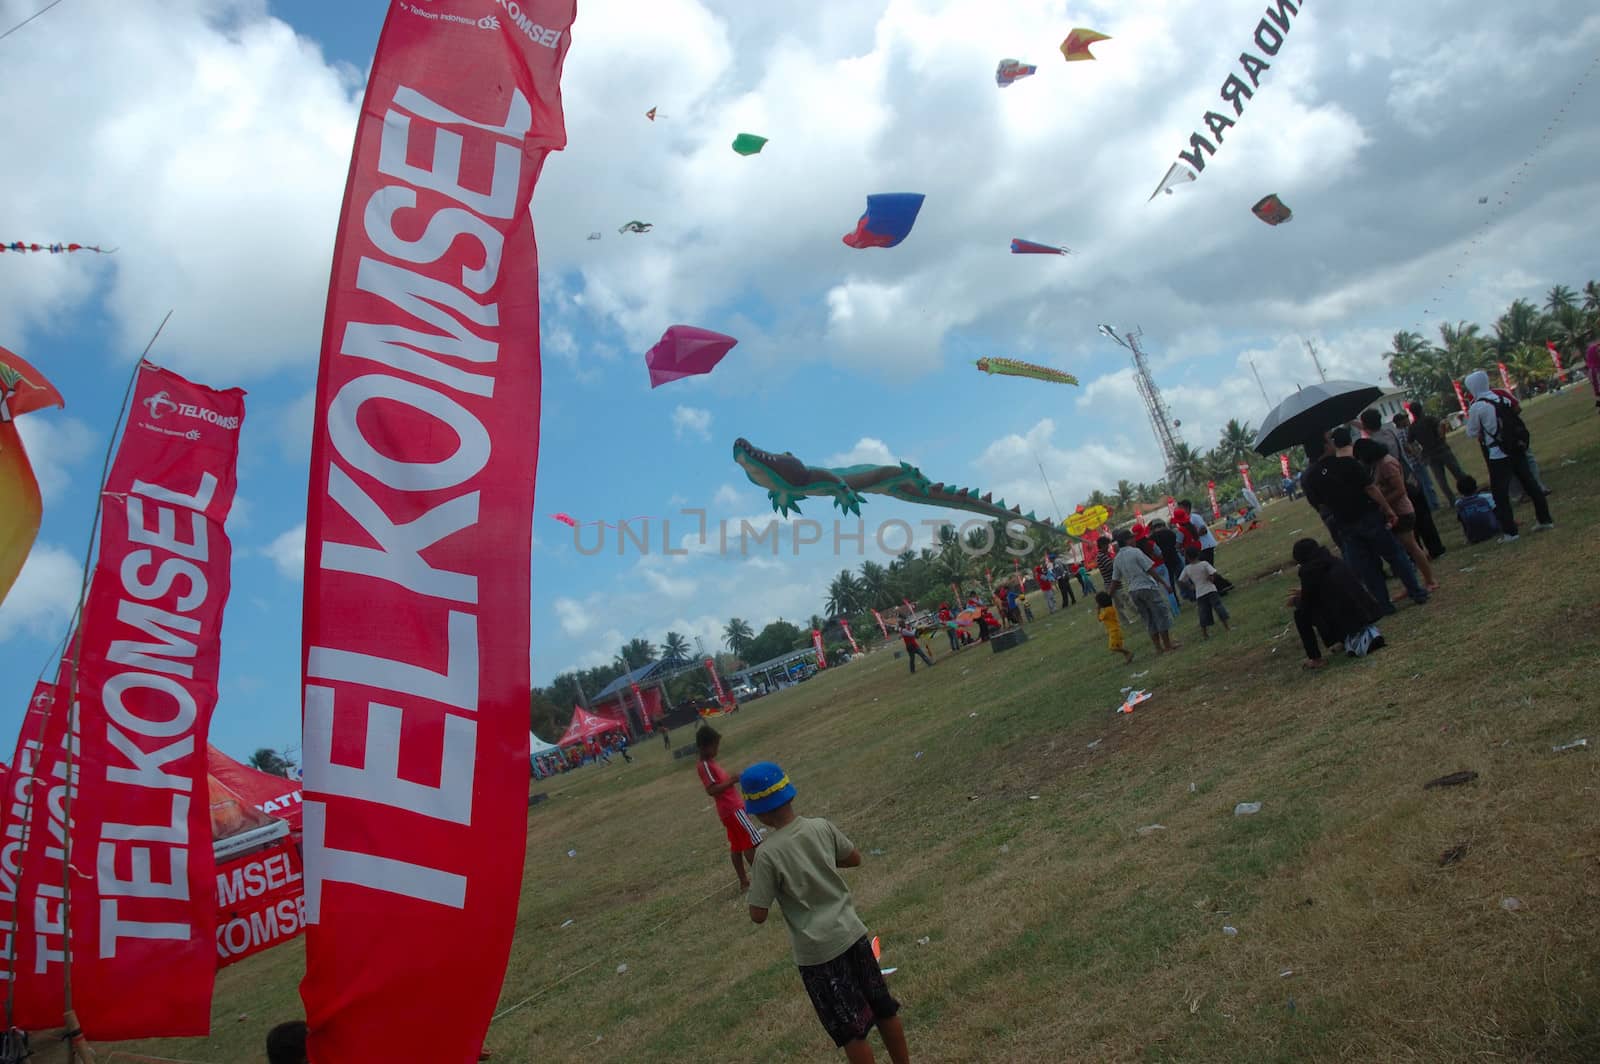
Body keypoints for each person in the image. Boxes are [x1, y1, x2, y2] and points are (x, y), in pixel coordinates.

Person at [741, 761, 911, 1064]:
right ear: (789, 796)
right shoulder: (821, 826)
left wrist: (767, 876)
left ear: (760, 814)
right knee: (883, 1006)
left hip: (818, 955)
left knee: (851, 1032)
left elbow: (758, 914)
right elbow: (854, 858)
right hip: (852, 933)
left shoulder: (767, 855)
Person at [1302, 427, 1430, 612]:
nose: (1332, 444)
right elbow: (1370, 489)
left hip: (1344, 523)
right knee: (1395, 555)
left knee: (1367, 567)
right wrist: (1387, 509)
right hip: (1369, 515)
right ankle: (1417, 592)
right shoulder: (1347, 463)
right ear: (1324, 446)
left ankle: (1384, 605)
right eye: (1328, 441)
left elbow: (1320, 505)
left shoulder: (1309, 478)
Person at [1463, 369, 1553, 541]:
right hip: (1515, 448)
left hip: (1498, 453)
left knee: (1500, 495)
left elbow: (1472, 432)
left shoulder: (1477, 406)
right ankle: (1545, 519)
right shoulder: (1501, 397)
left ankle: (1510, 532)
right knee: (1531, 484)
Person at [1353, 438, 1437, 592]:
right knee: (1406, 549)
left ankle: (1430, 580)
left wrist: (1382, 503)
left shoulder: (1387, 464)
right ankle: (1414, 583)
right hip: (1395, 511)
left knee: (1412, 547)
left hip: (1402, 511)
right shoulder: (1378, 464)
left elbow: (1400, 490)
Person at [1288, 538, 1386, 668]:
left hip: (1342, 614)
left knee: (1300, 614)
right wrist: (1305, 592)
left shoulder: (1309, 571)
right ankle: (1343, 638)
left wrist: (1297, 600)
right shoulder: (1331, 560)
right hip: (1363, 611)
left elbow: (1308, 603)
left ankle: (1315, 658)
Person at [697, 725, 763, 889]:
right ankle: (764, 879)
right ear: (705, 746)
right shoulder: (705, 765)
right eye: (714, 746)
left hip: (730, 811)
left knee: (737, 846)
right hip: (733, 809)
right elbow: (711, 790)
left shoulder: (711, 762)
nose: (717, 749)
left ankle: (743, 881)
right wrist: (732, 780)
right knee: (751, 841)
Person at [1108, 529, 1180, 653]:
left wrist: (1108, 596)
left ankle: (1158, 647)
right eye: (1132, 538)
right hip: (1147, 587)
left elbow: (1115, 580)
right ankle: (1167, 645)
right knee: (1160, 615)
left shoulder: (1118, 558)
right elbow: (1150, 569)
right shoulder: (1135, 552)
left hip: (1133, 591)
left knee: (1149, 619)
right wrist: (1164, 583)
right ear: (1127, 541)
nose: (1134, 540)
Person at [1406, 401, 1467, 507]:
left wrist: (1417, 453)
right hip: (1441, 448)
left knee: (1441, 480)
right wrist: (1442, 437)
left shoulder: (1413, 427)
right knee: (1457, 472)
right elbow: (1442, 424)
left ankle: (1452, 500)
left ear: (1412, 413)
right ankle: (1468, 491)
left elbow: (1409, 443)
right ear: (1421, 409)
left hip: (1429, 454)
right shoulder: (1429, 419)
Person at [1176, 547, 1231, 638]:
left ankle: (1205, 634)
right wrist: (1211, 578)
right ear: (1198, 555)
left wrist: (1190, 586)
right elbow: (1213, 573)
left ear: (1187, 557)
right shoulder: (1204, 564)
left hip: (1199, 592)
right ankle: (1227, 627)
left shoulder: (1187, 568)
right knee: (1218, 607)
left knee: (1203, 612)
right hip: (1210, 589)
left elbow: (1181, 580)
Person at [1453, 475, 1501, 544]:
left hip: (1473, 537)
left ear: (1460, 491)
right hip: (1493, 531)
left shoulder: (1458, 503)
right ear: (1476, 487)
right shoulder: (1487, 497)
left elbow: (1462, 520)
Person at [1094, 591, 1133, 663]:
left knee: (1113, 647)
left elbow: (1099, 619)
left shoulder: (1106, 611)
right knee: (1117, 646)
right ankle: (1127, 656)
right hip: (1115, 630)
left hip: (1114, 631)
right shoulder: (1111, 608)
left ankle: (1127, 652)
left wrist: (1098, 610)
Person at [1176, 499, 1219, 564]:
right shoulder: (1186, 520)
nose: (1179, 510)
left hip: (1205, 545)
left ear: (1187, 508)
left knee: (1208, 567)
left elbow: (1204, 530)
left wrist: (1192, 537)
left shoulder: (1194, 517)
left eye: (1180, 508)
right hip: (1199, 547)